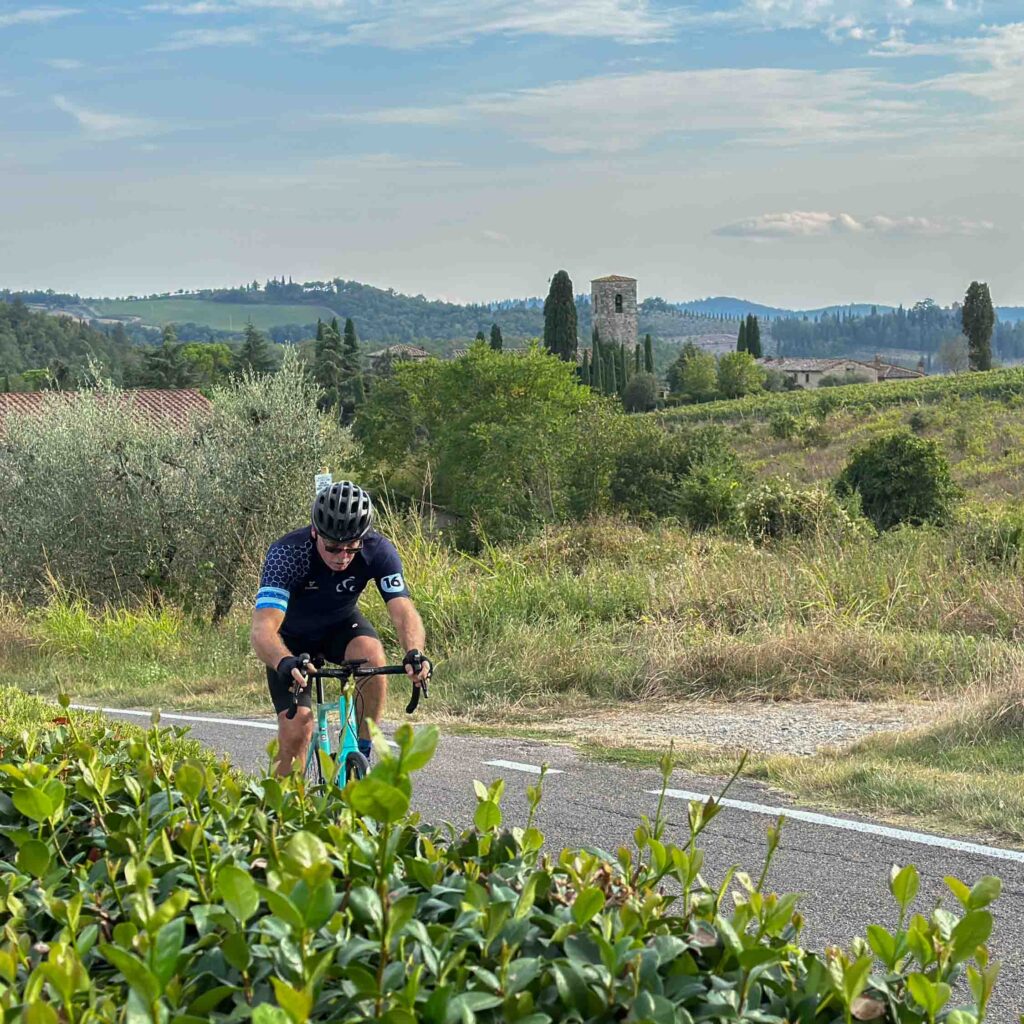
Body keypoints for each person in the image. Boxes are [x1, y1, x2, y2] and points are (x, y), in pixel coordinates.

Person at [251, 480, 431, 775]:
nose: (342, 557)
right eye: (333, 547)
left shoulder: (378, 550)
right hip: (292, 643)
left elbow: (403, 611)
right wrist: (283, 661)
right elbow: (263, 629)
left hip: (340, 628)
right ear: (314, 532)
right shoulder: (287, 554)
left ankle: (360, 755)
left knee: (372, 654)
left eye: (351, 548)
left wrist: (414, 652)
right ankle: (279, 815)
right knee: (298, 730)